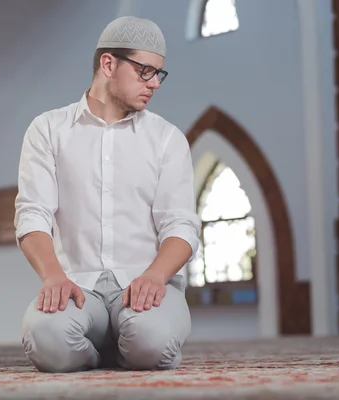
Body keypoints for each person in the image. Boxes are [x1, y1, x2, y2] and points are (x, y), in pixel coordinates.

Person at [13, 16, 201, 373]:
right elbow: (32, 213)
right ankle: (103, 352)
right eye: (146, 71)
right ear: (109, 64)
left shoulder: (167, 139)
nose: (155, 84)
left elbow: (181, 225)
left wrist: (155, 276)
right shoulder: (48, 130)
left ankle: (129, 341)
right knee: (45, 338)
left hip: (148, 283)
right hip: (78, 287)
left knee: (151, 343)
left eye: (159, 74)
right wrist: (54, 277)